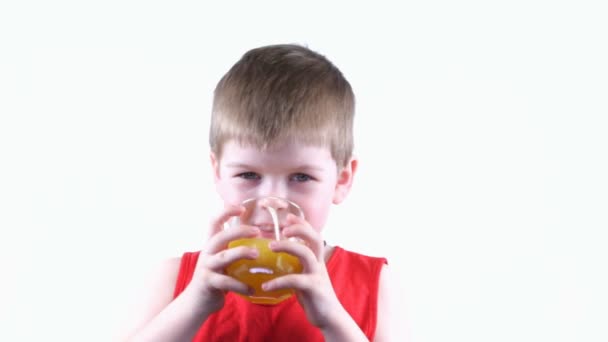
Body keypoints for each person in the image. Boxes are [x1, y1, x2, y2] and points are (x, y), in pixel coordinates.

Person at [119, 44, 405, 341]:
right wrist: (195, 303)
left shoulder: (373, 285)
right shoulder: (175, 280)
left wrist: (332, 318)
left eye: (301, 177)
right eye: (248, 175)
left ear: (341, 180)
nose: (272, 201)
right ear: (218, 172)